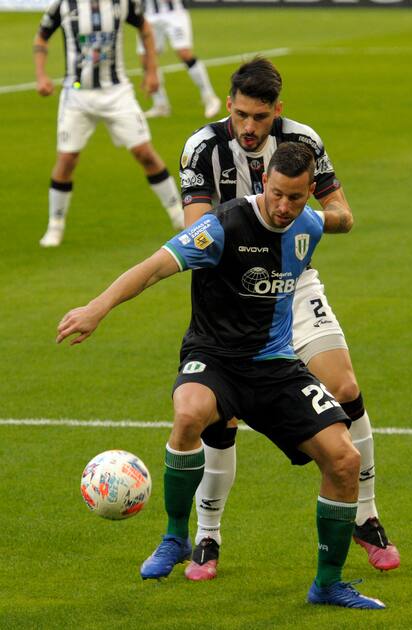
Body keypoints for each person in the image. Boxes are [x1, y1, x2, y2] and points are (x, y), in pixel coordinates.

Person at [57, 144, 385, 609]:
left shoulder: (309, 225)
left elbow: (337, 219)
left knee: (344, 459)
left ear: (309, 192)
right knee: (190, 413)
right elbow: (153, 269)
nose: (283, 206)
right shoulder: (221, 226)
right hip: (214, 359)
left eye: (295, 197)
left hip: (274, 366)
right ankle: (175, 537)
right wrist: (96, 308)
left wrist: (344, 216)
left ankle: (328, 585)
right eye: (275, 193)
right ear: (265, 183)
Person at [179, 57, 399, 581]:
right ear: (229, 106)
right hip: (230, 291)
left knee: (344, 385)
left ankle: (366, 514)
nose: (249, 128)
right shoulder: (201, 148)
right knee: (219, 413)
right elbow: (196, 233)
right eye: (239, 116)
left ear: (277, 111)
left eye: (259, 117)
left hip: (293, 282)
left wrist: (301, 218)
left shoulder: (302, 141)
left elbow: (344, 214)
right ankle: (207, 535)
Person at [34, 0, 184, 248]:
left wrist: (151, 71)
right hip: (77, 94)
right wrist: (41, 76)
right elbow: (41, 39)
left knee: (144, 153)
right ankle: (55, 225)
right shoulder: (62, 5)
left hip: (117, 92)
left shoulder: (121, 3)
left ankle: (179, 215)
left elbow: (145, 29)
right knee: (67, 159)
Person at [136, 0, 221, 119]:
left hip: (174, 13)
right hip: (148, 14)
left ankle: (210, 97)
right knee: (146, 58)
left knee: (184, 53)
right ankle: (160, 105)